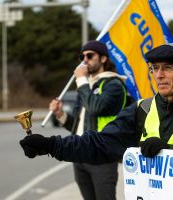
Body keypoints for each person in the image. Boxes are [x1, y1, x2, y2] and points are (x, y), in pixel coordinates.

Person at [20, 43, 173, 200]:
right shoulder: (140, 110)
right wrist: (50, 145)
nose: (159, 75)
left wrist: (166, 152)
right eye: (154, 68)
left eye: (167, 67)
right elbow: (100, 143)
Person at [47, 40, 128, 200]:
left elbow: (96, 107)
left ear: (103, 59)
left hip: (102, 156)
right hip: (81, 155)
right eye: (82, 56)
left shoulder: (114, 84)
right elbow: (78, 125)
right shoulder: (85, 86)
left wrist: (81, 80)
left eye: (90, 55)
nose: (85, 60)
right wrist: (60, 114)